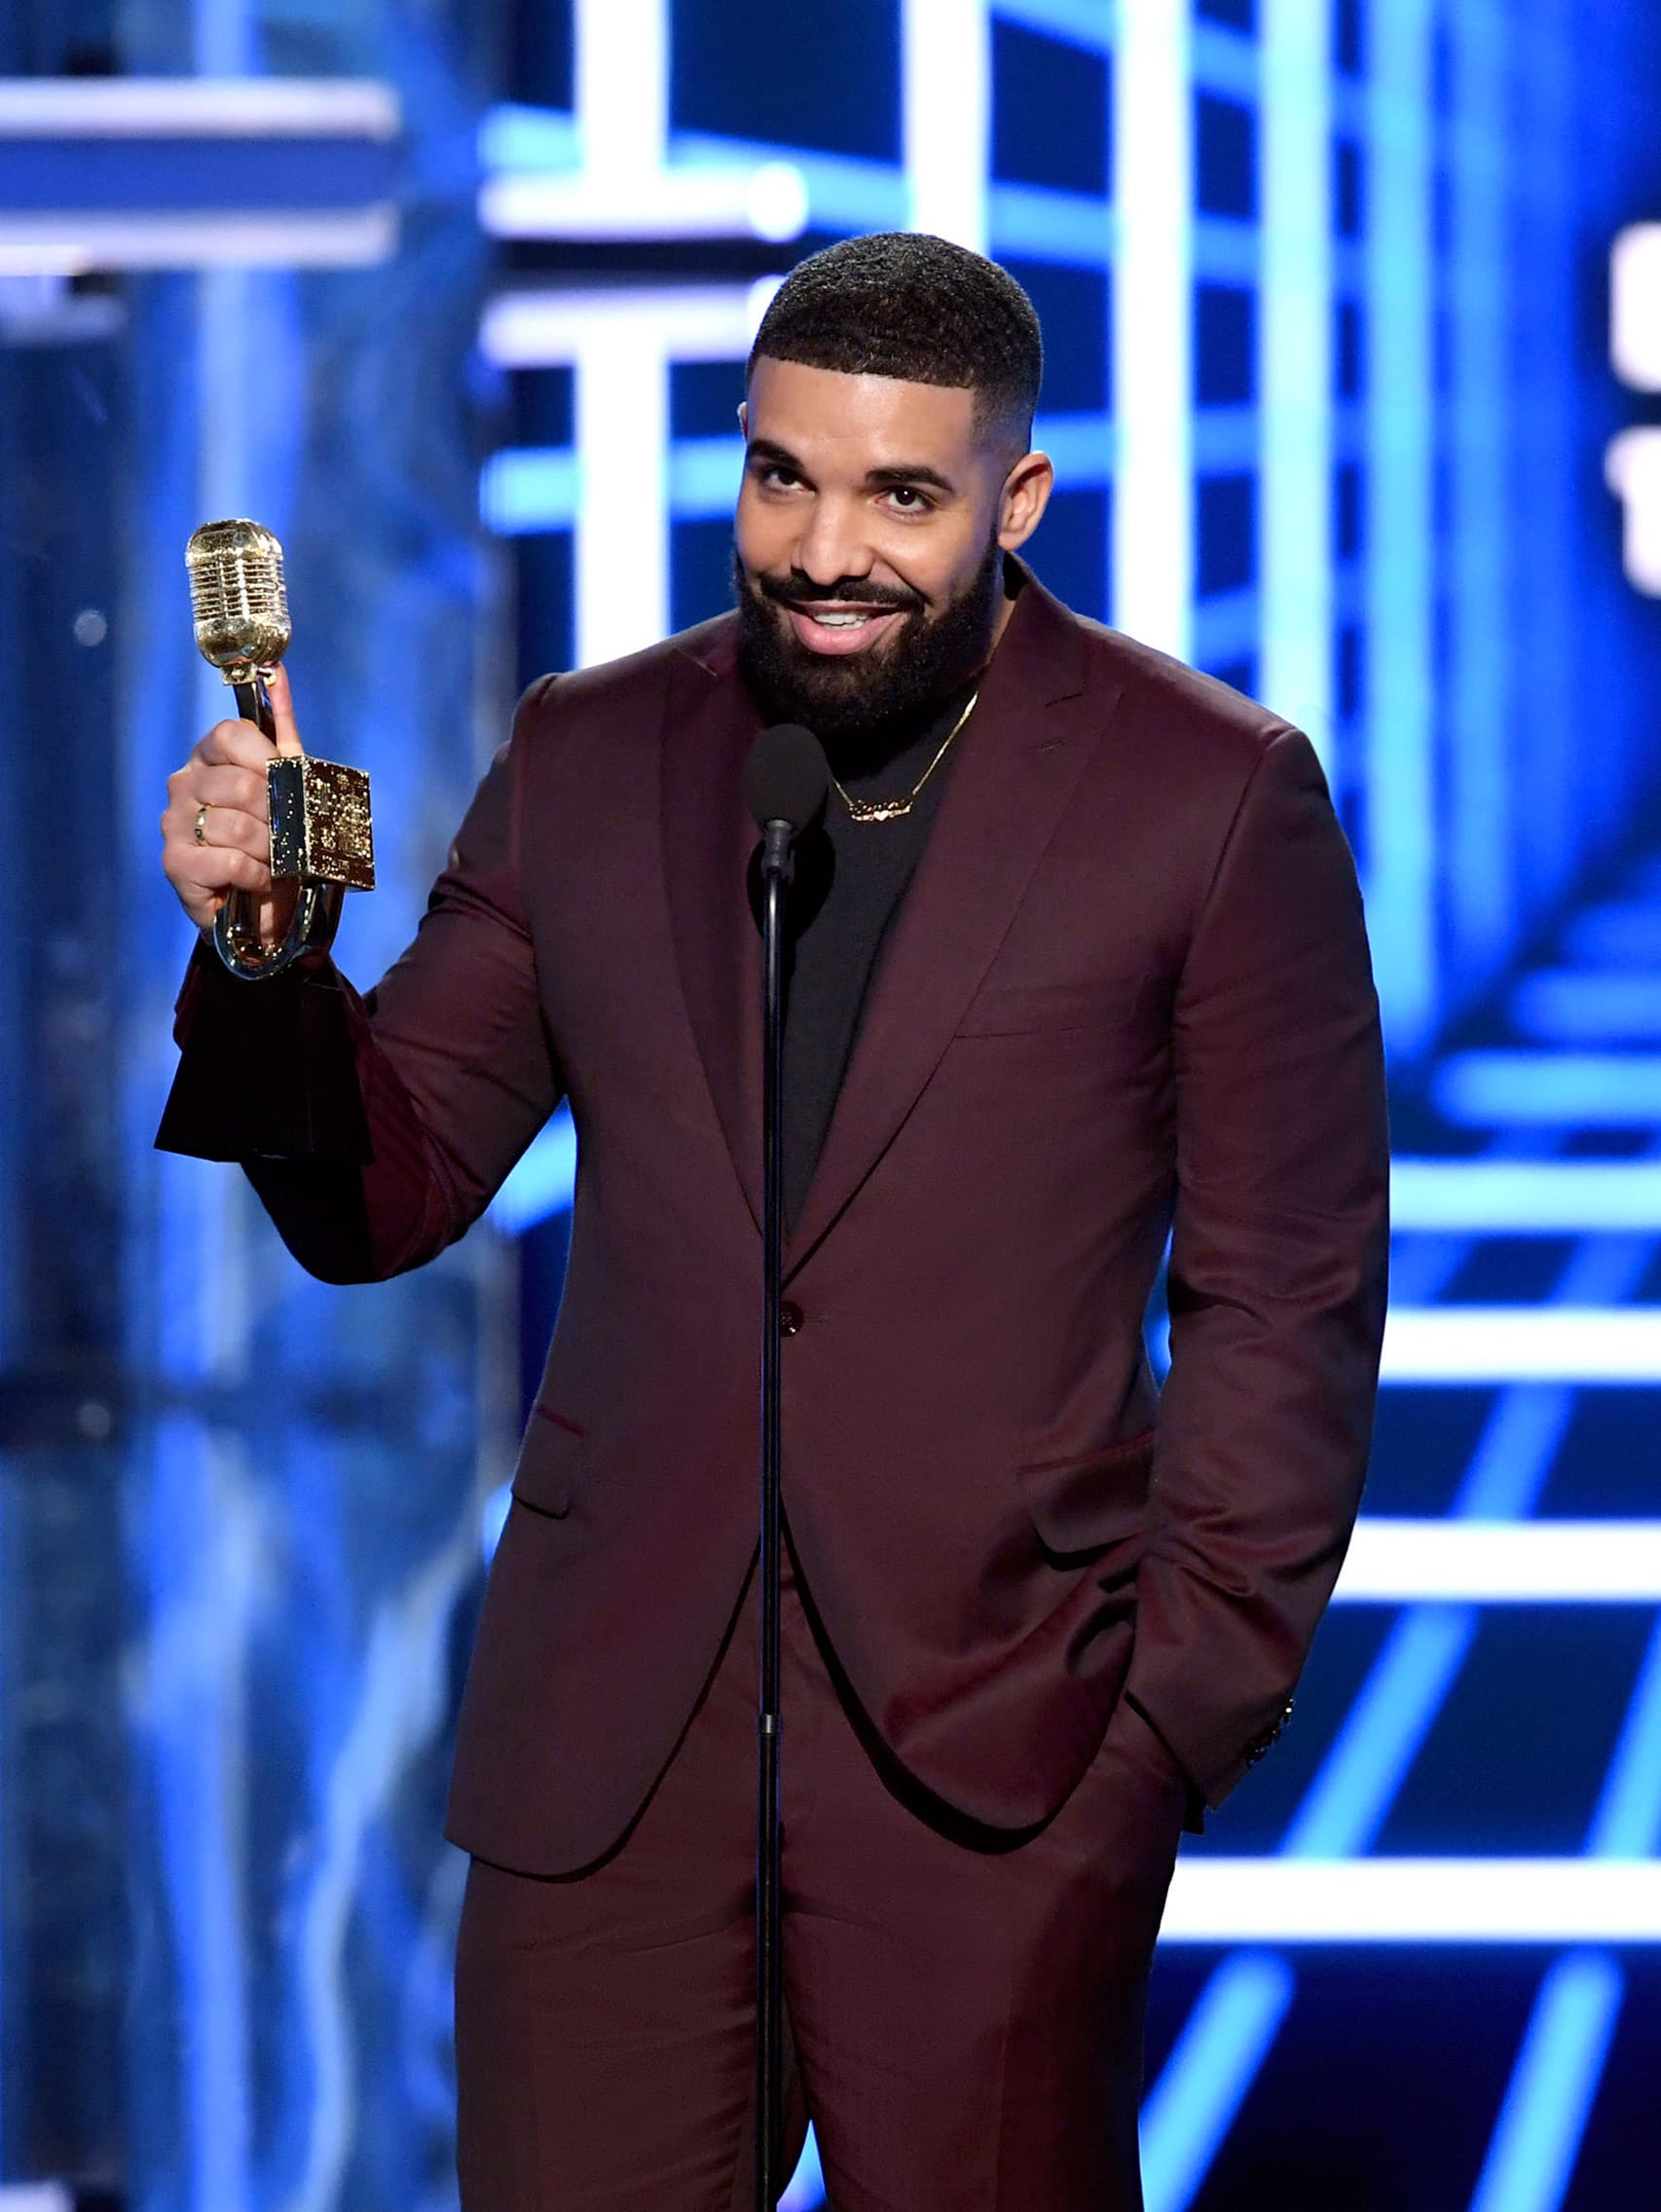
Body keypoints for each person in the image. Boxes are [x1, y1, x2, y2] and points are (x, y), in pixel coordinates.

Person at [158, 232, 1389, 2212]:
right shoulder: (593, 749)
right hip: (611, 1759)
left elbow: (1286, 1296)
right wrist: (273, 959)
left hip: (1001, 1762)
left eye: (900, 493)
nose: (825, 545)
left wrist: (1160, 1726)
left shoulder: (1208, 794)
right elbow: (382, 1191)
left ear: (1014, 499)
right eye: (781, 475)